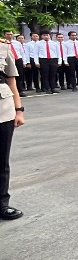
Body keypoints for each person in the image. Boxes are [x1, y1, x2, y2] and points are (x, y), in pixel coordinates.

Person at [1, 35, 25, 220]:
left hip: (3, 110)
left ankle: (2, 204)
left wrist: (19, 110)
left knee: (2, 162)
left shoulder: (3, 48)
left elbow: (11, 82)